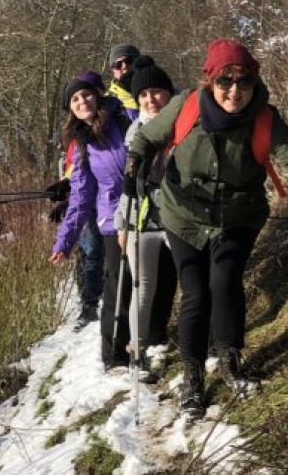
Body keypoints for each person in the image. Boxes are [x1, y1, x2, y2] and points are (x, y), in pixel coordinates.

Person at [129, 39, 288, 415]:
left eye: (244, 81)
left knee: (226, 281)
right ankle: (193, 376)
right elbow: (147, 137)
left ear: (254, 83)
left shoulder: (266, 120)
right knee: (197, 291)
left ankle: (231, 360)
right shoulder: (185, 105)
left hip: (237, 216)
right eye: (225, 81)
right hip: (183, 215)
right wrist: (134, 163)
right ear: (210, 81)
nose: (235, 91)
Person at [50, 73, 131, 369]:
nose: (82, 101)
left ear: (97, 96)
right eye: (75, 99)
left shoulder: (124, 120)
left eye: (85, 95)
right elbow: (82, 197)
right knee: (118, 285)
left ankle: (153, 341)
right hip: (112, 220)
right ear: (71, 109)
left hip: (147, 210)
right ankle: (114, 356)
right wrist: (65, 241)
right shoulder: (82, 143)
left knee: (153, 281)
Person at [113, 56, 179, 384]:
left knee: (196, 283)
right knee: (143, 287)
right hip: (143, 220)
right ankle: (138, 353)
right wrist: (122, 224)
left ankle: (208, 343)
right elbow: (127, 186)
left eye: (156, 92)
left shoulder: (186, 125)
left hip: (181, 220)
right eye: (143, 96)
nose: (150, 100)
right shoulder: (133, 133)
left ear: (169, 94)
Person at [105, 44, 140, 120]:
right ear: (112, 71)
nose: (124, 66)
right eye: (118, 64)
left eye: (129, 61)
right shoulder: (107, 102)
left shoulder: (160, 90)